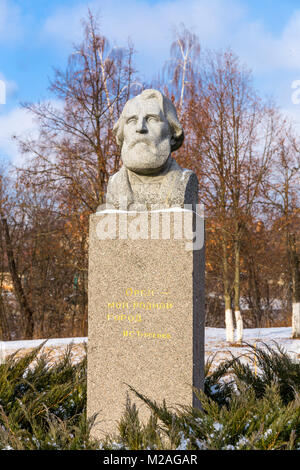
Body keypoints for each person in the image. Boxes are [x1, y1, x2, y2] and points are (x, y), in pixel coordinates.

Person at [103, 89, 198, 210]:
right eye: (132, 120)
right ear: (121, 134)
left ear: (173, 135)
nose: (140, 128)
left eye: (152, 119)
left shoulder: (184, 181)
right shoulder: (114, 185)